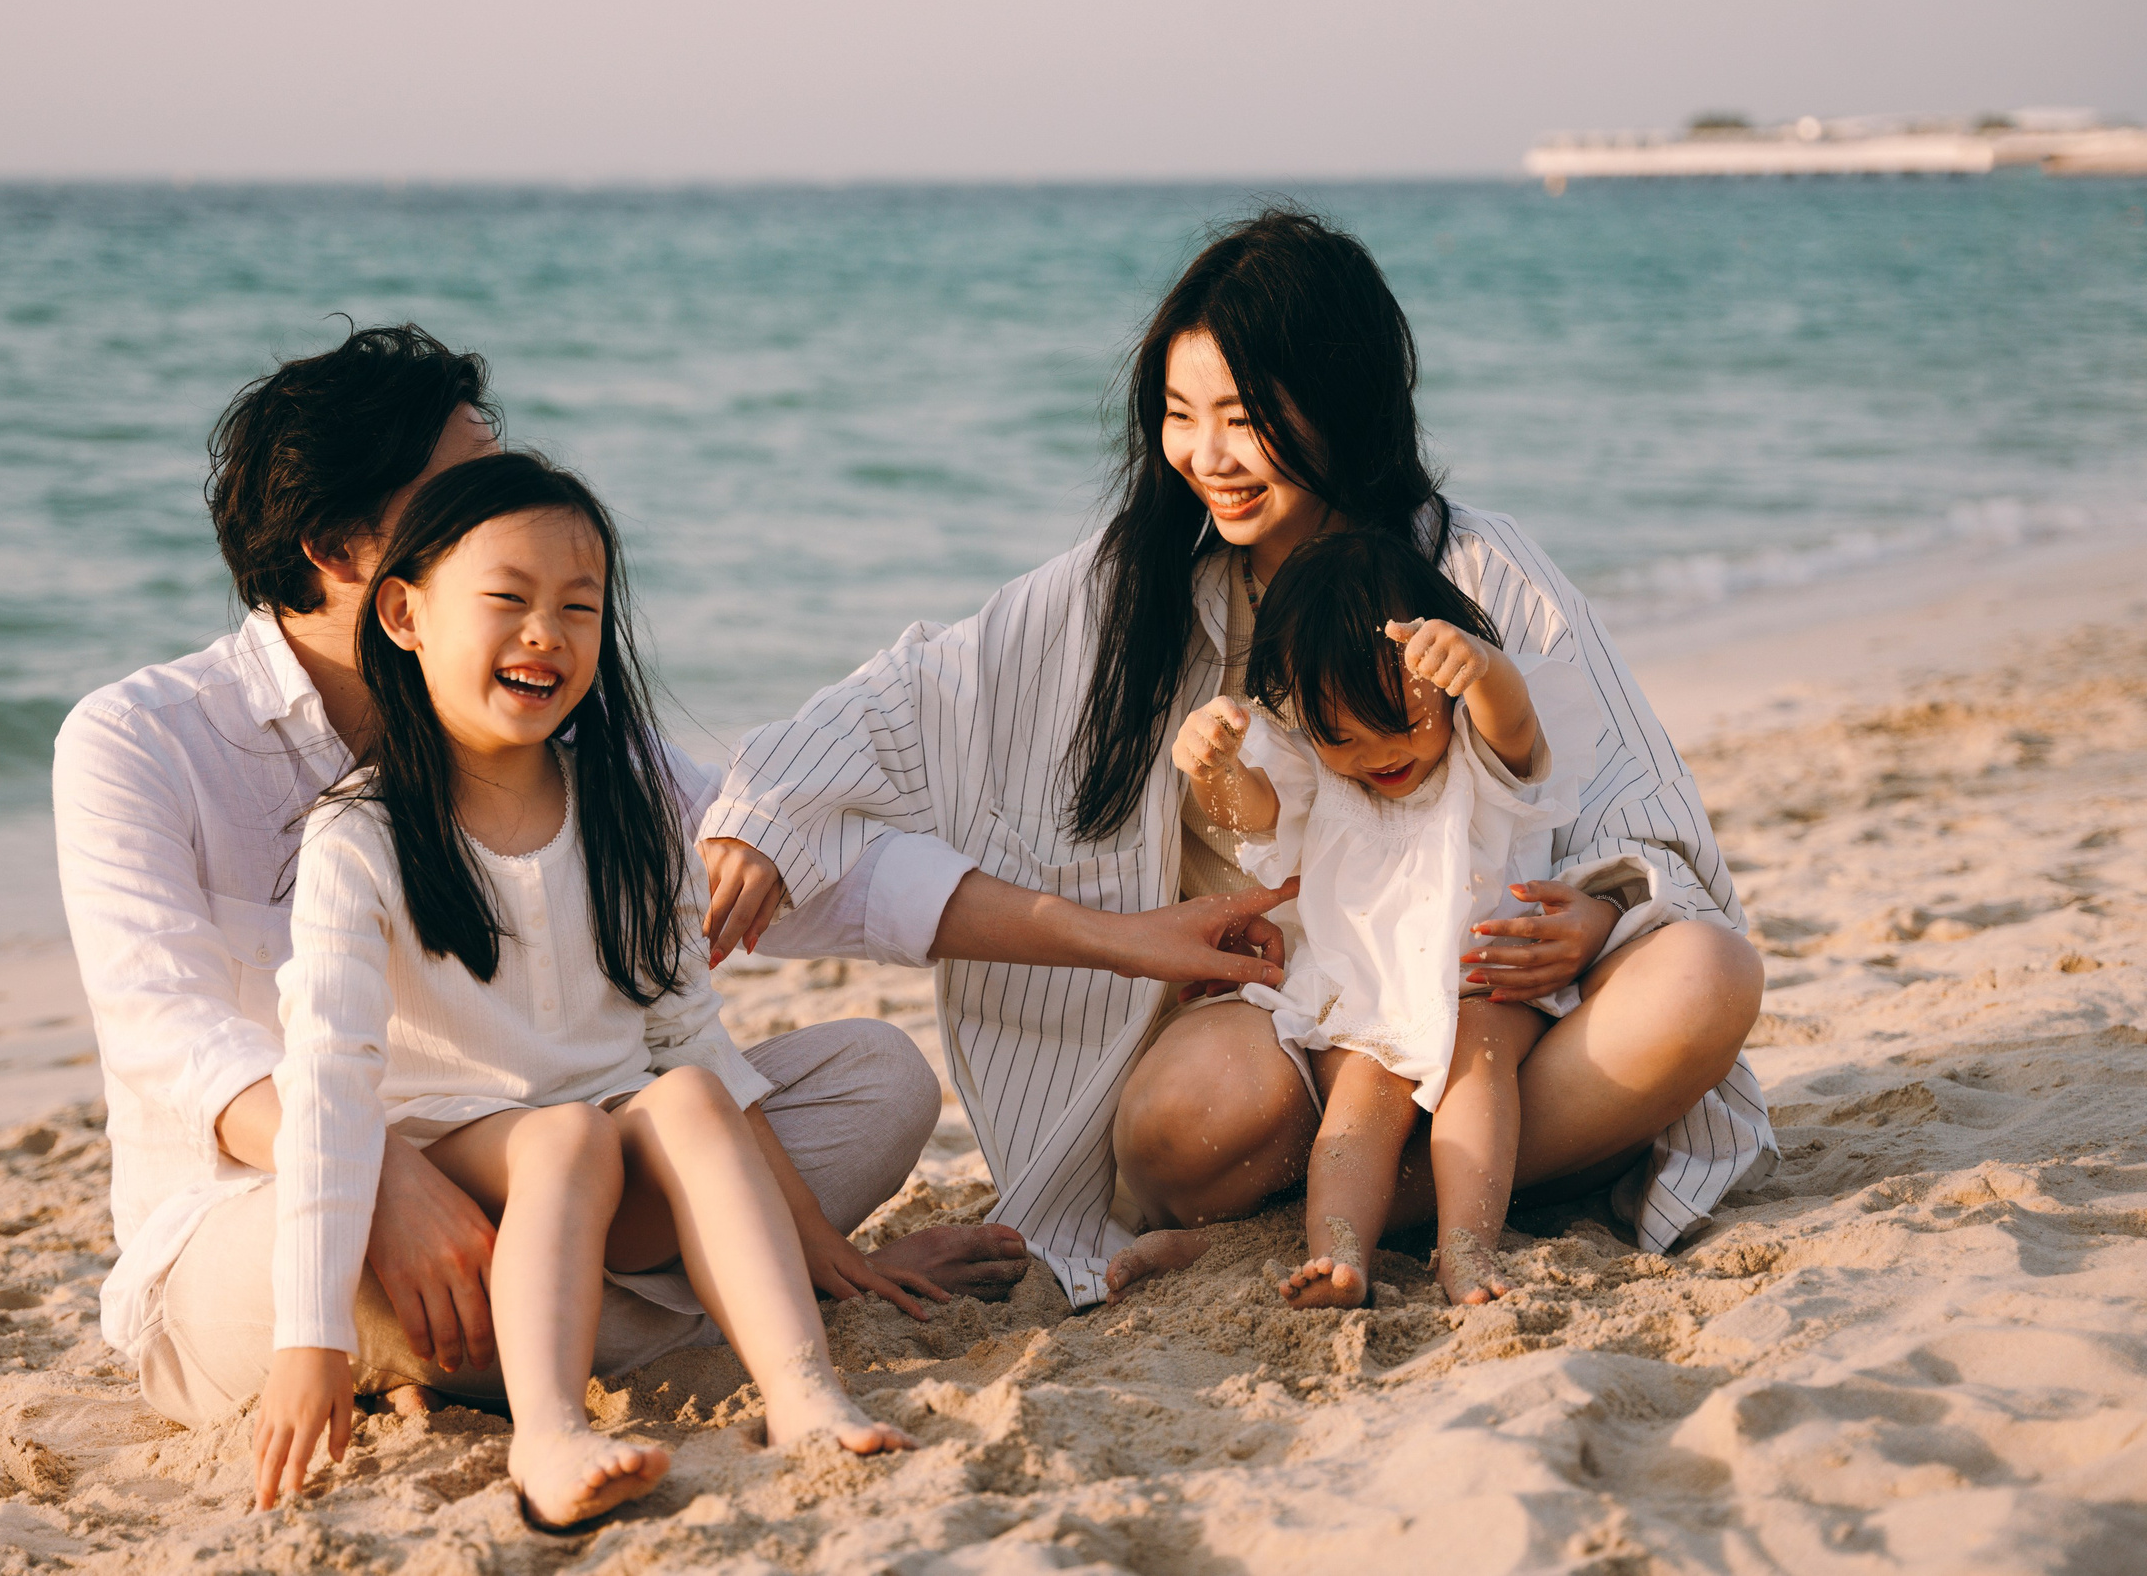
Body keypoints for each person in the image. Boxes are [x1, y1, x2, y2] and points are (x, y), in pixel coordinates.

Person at [698, 208, 1773, 1310]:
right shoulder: (1137, 589)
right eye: (1178, 414)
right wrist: (767, 809)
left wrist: (1596, 917)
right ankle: (1384, 1201)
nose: (1205, 456)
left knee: (1705, 974)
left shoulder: (1476, 569)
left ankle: (1351, 1221)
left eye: (1245, 417)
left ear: (1342, 402)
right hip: (1289, 1021)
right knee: (1184, 1118)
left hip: (1490, 1004)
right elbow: (918, 692)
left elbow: (1637, 805)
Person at [54, 324, 1024, 1434]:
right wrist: (386, 1183)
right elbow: (164, 1027)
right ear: (344, 554)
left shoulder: (568, 742)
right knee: (350, 1240)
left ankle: (635, 1305)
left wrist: (1117, 933)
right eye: (461, 499)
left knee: (873, 1077)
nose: (511, 510)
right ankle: (687, 1302)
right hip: (270, 1218)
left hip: (553, 1174)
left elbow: (800, 878)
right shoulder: (141, 738)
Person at [254, 455, 911, 1524]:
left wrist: (816, 1237)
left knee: (691, 1098)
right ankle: (549, 1433)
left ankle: (801, 1392)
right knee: (564, 1135)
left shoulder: (630, 806)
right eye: (507, 601)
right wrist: (308, 1340)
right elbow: (326, 1085)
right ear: (405, 613)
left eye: (578, 607)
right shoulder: (359, 834)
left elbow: (688, 1032)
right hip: (459, 1170)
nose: (544, 635)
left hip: (620, 1158)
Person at [1172, 531, 1602, 1308]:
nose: (1377, 754)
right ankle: (1339, 1254)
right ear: (1303, 712)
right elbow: (1251, 815)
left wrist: (1482, 667)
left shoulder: (1478, 754)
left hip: (1484, 984)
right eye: (1341, 734)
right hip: (1365, 1001)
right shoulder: (1314, 774)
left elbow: (1513, 723)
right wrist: (1218, 767)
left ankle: (1466, 1248)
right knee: (1363, 1099)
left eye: (1402, 720)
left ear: (1442, 686)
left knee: (1475, 1064)